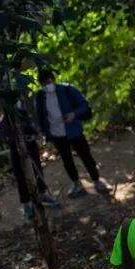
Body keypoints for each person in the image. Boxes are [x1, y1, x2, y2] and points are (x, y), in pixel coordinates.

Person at [33, 69, 110, 198]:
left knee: (86, 156)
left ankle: (96, 180)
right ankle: (76, 183)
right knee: (67, 160)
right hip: (57, 134)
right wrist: (43, 133)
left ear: (53, 79)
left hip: (73, 130)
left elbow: (84, 104)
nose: (47, 85)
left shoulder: (66, 90)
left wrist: (73, 114)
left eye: (48, 82)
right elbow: (40, 116)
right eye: (44, 84)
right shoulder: (40, 96)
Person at [0, 107, 59, 219]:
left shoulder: (22, 113)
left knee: (37, 171)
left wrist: (34, 137)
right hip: (16, 152)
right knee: (21, 177)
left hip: (31, 148)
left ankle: (42, 195)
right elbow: (4, 138)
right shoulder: (4, 120)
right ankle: (26, 205)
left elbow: (33, 129)